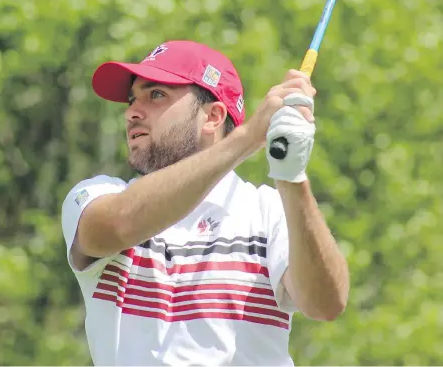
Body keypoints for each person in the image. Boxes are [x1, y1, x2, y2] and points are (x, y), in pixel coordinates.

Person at [61, 40, 349, 366]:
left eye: (156, 95)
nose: (131, 113)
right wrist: (252, 135)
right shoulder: (97, 195)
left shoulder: (269, 209)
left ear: (213, 116)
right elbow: (116, 226)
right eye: (132, 100)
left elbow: (325, 304)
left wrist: (291, 176)